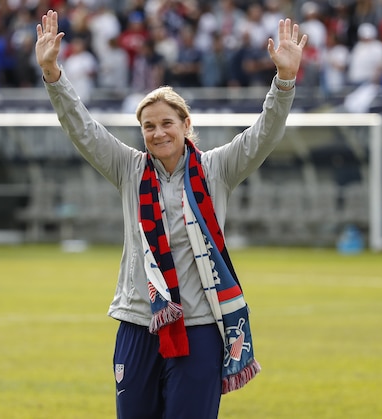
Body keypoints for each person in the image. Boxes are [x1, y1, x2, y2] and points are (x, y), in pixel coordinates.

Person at [35, 9, 307, 419]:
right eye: (148, 126)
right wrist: (53, 74)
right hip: (136, 323)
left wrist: (284, 82)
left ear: (185, 125)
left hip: (198, 328)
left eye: (166, 123)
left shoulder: (217, 168)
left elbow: (263, 135)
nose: (158, 132)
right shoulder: (129, 168)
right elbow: (83, 129)